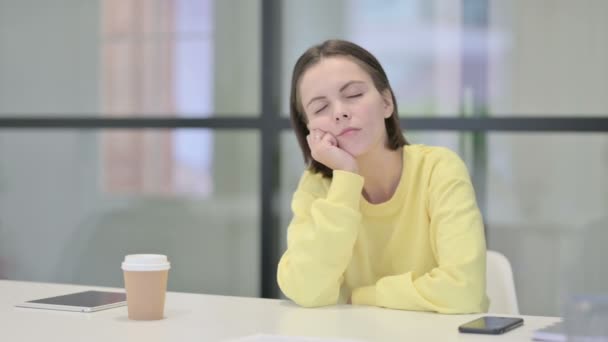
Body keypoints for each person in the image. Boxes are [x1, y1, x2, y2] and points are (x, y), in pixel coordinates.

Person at [276, 39, 488, 314]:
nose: (339, 112)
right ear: (309, 129)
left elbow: (464, 290)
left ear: (386, 102)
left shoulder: (439, 169)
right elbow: (306, 289)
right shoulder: (317, 186)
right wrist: (346, 178)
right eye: (319, 108)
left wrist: (362, 296)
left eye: (353, 94)